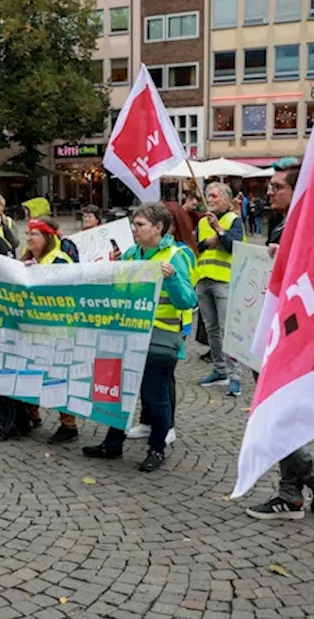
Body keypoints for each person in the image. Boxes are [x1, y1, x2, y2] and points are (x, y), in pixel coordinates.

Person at [246, 159, 314, 521]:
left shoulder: (310, 228)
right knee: (278, 414)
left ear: (297, 191)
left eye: (277, 187)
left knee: (275, 415)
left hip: (297, 337)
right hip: (280, 333)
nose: (269, 192)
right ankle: (292, 494)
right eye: (269, 186)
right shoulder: (283, 225)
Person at [83, 204, 197, 472]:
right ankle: (113, 443)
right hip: (128, 333)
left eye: (140, 225)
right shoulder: (133, 253)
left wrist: (170, 279)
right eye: (134, 224)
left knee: (154, 394)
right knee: (117, 391)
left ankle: (157, 449)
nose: (134, 229)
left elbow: (188, 300)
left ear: (158, 228)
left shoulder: (177, 255)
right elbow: (121, 292)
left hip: (160, 337)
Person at [21, 218, 80, 443]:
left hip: (57, 328)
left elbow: (64, 291)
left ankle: (68, 424)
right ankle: (31, 413)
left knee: (57, 374)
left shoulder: (59, 260)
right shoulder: (28, 259)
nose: (28, 238)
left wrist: (37, 275)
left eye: (34, 234)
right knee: (30, 370)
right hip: (33, 326)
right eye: (27, 234)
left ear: (47, 238)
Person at [195, 181, 244, 397]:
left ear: (226, 198)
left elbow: (235, 247)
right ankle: (219, 370)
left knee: (227, 330)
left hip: (225, 281)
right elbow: (195, 246)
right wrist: (208, 240)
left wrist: (220, 232)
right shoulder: (202, 221)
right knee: (211, 330)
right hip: (203, 280)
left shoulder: (234, 220)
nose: (211, 199)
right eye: (208, 195)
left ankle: (235, 376)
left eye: (215, 196)